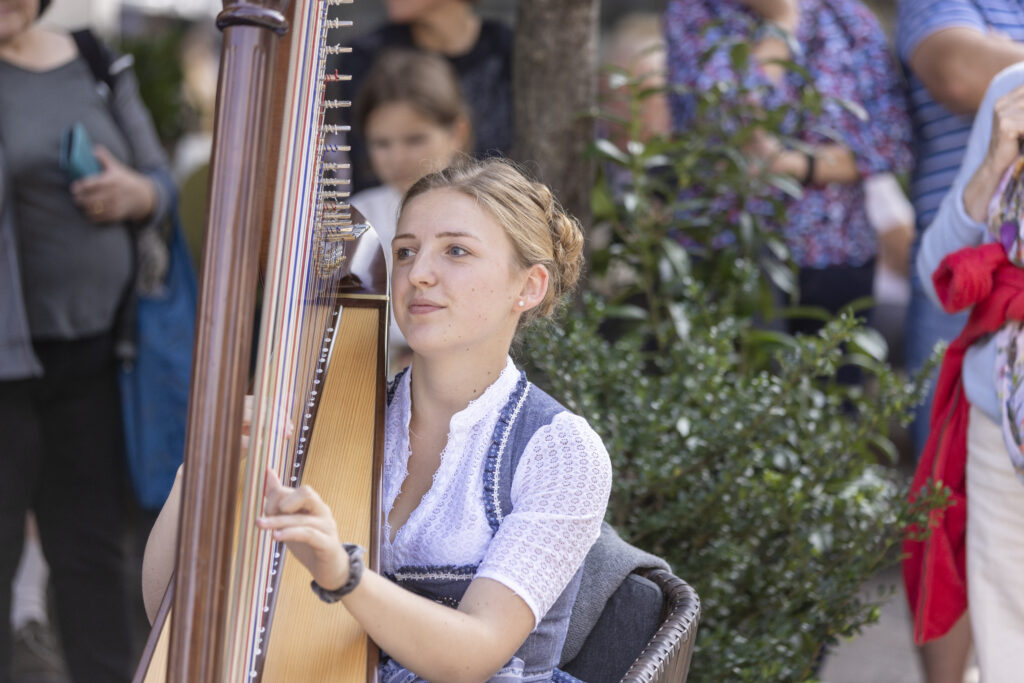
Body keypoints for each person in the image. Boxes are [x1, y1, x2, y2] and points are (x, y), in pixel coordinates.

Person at [143, 158, 612, 682]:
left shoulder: (561, 453)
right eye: (405, 251)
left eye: (455, 250)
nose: (418, 274)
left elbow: (475, 653)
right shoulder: (335, 420)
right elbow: (166, 607)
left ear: (529, 286)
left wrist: (342, 573)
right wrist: (201, 468)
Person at [0, 0, 174, 680]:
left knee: (92, 554)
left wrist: (137, 194)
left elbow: (159, 180)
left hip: (97, 353)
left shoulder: (94, 58)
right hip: (6, 369)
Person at [895, 2, 1024, 678]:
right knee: (1004, 639)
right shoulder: (1011, 92)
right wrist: (996, 159)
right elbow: (935, 270)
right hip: (1001, 413)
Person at [664, 0, 912, 349]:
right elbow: (725, 122)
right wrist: (782, 21)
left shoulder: (845, 16)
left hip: (836, 255)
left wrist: (794, 164)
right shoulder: (695, 12)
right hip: (727, 251)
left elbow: (891, 141)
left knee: (834, 394)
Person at [349, 49, 470, 375]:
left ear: (457, 132)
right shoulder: (359, 214)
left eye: (415, 139)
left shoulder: (482, 213)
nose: (398, 158)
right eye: (382, 144)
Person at [337, 0, 512, 193]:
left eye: (415, 139)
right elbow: (366, 173)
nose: (398, 158)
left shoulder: (508, 51)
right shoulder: (365, 57)